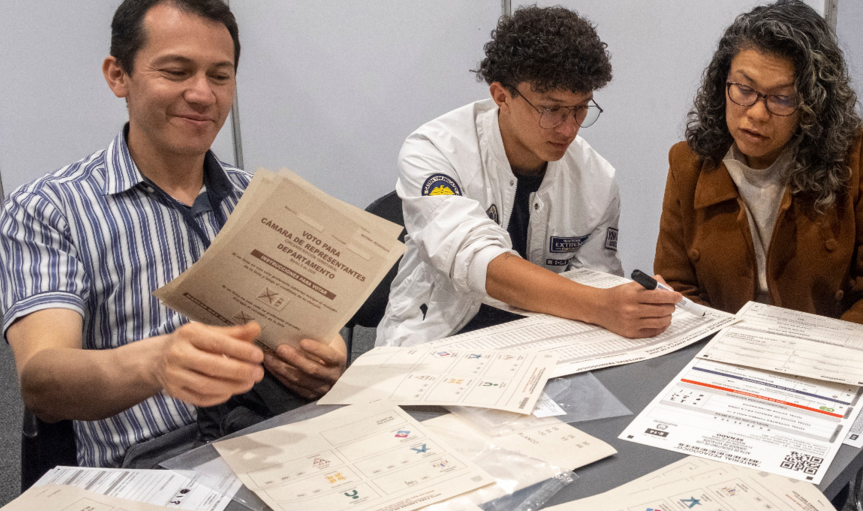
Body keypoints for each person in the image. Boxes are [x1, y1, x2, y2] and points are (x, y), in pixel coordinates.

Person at [0, 0, 346, 469]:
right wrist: (157, 362)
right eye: (176, 72)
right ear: (118, 75)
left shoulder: (257, 200)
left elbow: (313, 327)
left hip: (272, 439)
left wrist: (323, 358)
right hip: (149, 465)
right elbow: (42, 380)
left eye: (220, 76)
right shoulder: (49, 208)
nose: (202, 94)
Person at [375, 6, 679, 348]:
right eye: (551, 109)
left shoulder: (597, 180)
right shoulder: (434, 150)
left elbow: (596, 282)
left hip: (543, 346)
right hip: (433, 340)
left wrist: (629, 305)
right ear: (501, 96)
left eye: (581, 108)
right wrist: (603, 305)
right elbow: (477, 260)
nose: (569, 129)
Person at [654, 0, 863, 324]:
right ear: (722, 82)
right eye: (744, 89)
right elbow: (678, 288)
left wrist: (820, 350)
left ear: (813, 103)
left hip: (825, 346)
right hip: (720, 344)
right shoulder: (689, 163)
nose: (757, 113)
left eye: (782, 98)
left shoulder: (858, 156)